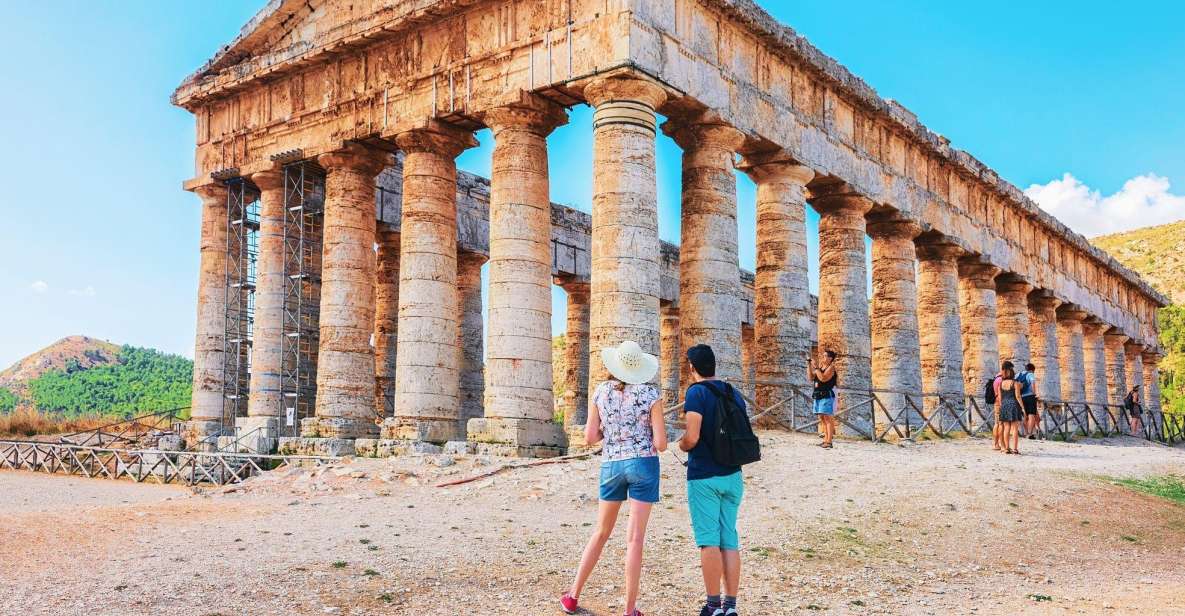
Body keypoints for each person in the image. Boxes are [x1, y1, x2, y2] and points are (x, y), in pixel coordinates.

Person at [561, 340, 667, 616]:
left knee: (601, 532)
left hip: (611, 465)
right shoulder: (650, 394)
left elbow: (589, 437)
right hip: (643, 464)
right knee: (635, 539)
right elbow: (662, 442)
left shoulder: (601, 392)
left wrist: (611, 436)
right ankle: (629, 609)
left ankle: (572, 596)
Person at [679, 344, 745, 616]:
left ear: (692, 367)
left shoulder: (696, 393)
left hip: (705, 476)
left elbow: (692, 436)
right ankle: (731, 607)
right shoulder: (734, 392)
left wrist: (682, 445)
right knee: (729, 539)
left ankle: (713, 605)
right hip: (733, 474)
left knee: (709, 541)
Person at [809, 349, 838, 449]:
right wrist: (809, 365)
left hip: (826, 395)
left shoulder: (831, 368)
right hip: (818, 395)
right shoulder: (821, 367)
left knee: (827, 418)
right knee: (821, 418)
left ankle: (829, 441)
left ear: (830, 358)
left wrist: (816, 367)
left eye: (825, 356)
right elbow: (811, 377)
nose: (823, 357)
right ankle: (825, 440)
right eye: (823, 355)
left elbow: (823, 378)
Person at [998, 364, 1025, 454]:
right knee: (1014, 428)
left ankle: (1006, 448)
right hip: (1013, 405)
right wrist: (1022, 407)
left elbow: (1000, 398)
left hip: (1004, 405)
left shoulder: (1000, 384)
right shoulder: (1015, 383)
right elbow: (1018, 396)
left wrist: (1001, 407)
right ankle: (1015, 449)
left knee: (1006, 428)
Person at [992, 362, 1012, 451]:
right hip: (1001, 403)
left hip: (996, 402)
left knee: (997, 424)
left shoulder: (996, 378)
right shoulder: (1001, 380)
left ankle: (996, 444)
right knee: (1001, 424)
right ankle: (1002, 445)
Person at [1016, 363, 1040, 440]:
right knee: (1031, 414)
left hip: (1022, 397)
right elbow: (1033, 383)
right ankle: (1029, 433)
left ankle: (1026, 432)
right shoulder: (1030, 374)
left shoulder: (1018, 374)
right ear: (1032, 370)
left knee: (1025, 415)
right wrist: (1034, 393)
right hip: (1030, 396)